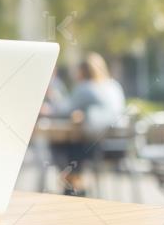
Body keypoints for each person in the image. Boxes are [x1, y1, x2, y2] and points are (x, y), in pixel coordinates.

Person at [47, 52, 126, 196]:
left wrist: (51, 98)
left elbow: (64, 110)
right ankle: (75, 181)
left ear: (83, 72)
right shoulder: (114, 86)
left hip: (96, 148)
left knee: (60, 143)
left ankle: (72, 184)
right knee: (75, 144)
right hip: (119, 147)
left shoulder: (86, 88)